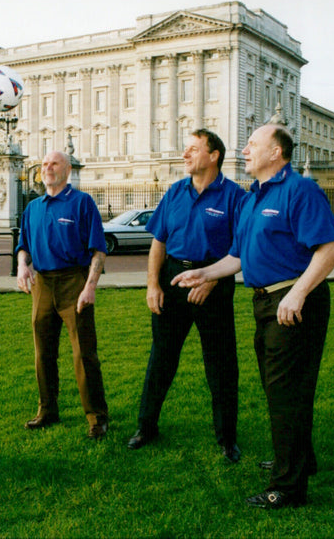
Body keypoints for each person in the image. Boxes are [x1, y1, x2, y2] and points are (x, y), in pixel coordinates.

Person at [172, 124, 334, 509]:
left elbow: (331, 246)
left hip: (294, 301)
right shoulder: (252, 198)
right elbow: (237, 256)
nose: (245, 149)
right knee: (280, 389)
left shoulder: (300, 190)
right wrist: (205, 273)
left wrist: (298, 292)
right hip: (266, 303)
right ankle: (299, 459)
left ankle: (287, 487)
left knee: (285, 392)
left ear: (276, 153)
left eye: (253, 144)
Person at [127, 129, 244, 464]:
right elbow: (159, 242)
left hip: (214, 285)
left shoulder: (235, 196)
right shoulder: (175, 191)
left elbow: (241, 248)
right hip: (173, 280)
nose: (185, 154)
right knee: (161, 359)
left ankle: (227, 439)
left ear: (214, 155)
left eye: (193, 149)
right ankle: (146, 427)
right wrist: (153, 285)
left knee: (221, 365)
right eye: (186, 148)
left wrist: (212, 279)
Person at [16, 150, 109, 439]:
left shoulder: (82, 203)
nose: (48, 168)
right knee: (43, 352)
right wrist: (22, 266)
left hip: (74, 282)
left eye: (54, 163)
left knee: (83, 352)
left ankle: (96, 417)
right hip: (43, 284)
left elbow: (99, 250)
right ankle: (47, 410)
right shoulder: (33, 208)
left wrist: (90, 287)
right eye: (44, 164)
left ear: (67, 170)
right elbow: (23, 246)